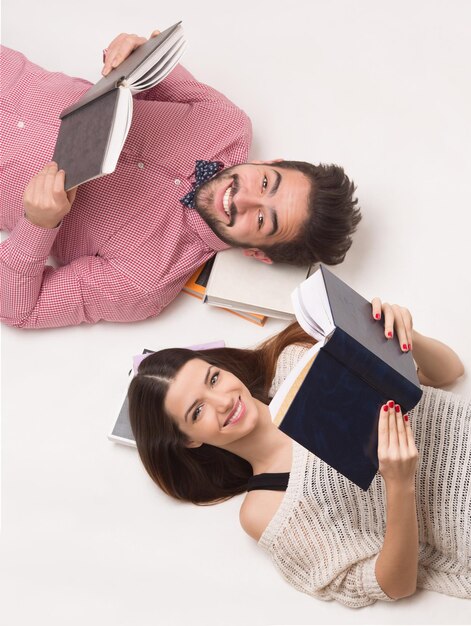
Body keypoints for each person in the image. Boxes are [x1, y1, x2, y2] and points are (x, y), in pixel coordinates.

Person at [0, 31, 361, 329]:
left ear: (256, 253)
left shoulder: (143, 282)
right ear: (271, 162)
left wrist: (38, 225)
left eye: (263, 219)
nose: (243, 198)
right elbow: (147, 64)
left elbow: (20, 309)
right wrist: (130, 51)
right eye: (266, 183)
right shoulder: (227, 123)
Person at [127, 300, 469, 608]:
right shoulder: (267, 508)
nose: (224, 401)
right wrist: (399, 485)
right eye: (197, 412)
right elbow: (394, 585)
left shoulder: (294, 362)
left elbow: (449, 372)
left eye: (214, 379)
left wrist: (409, 337)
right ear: (188, 440)